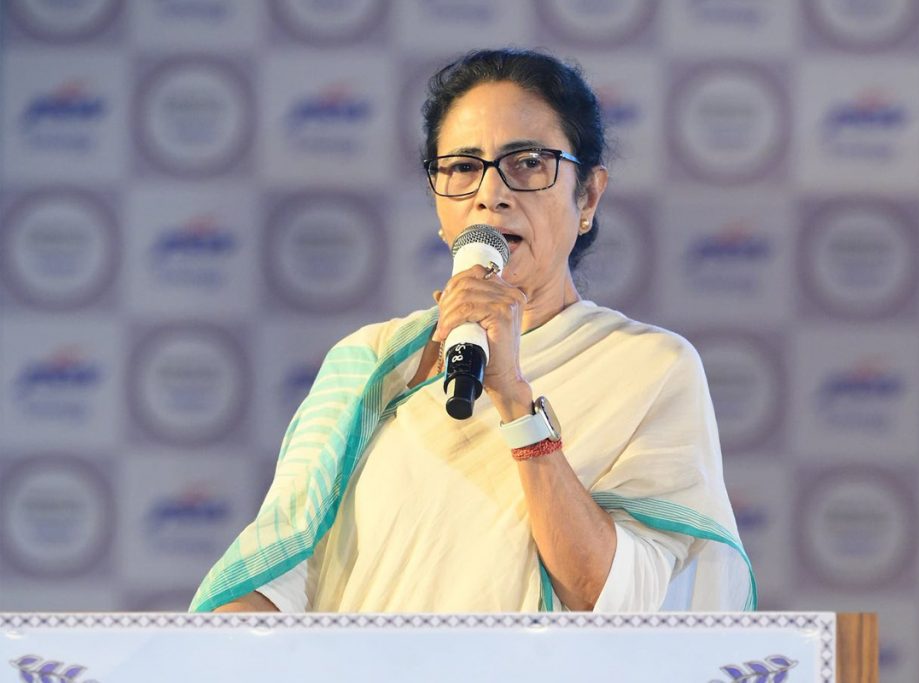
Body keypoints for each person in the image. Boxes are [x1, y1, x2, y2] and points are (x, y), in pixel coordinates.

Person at [190, 49, 755, 613]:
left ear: (587, 196)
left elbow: (617, 601)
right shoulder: (368, 362)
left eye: (528, 162)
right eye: (462, 167)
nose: (492, 193)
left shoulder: (647, 368)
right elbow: (276, 582)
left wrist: (515, 401)